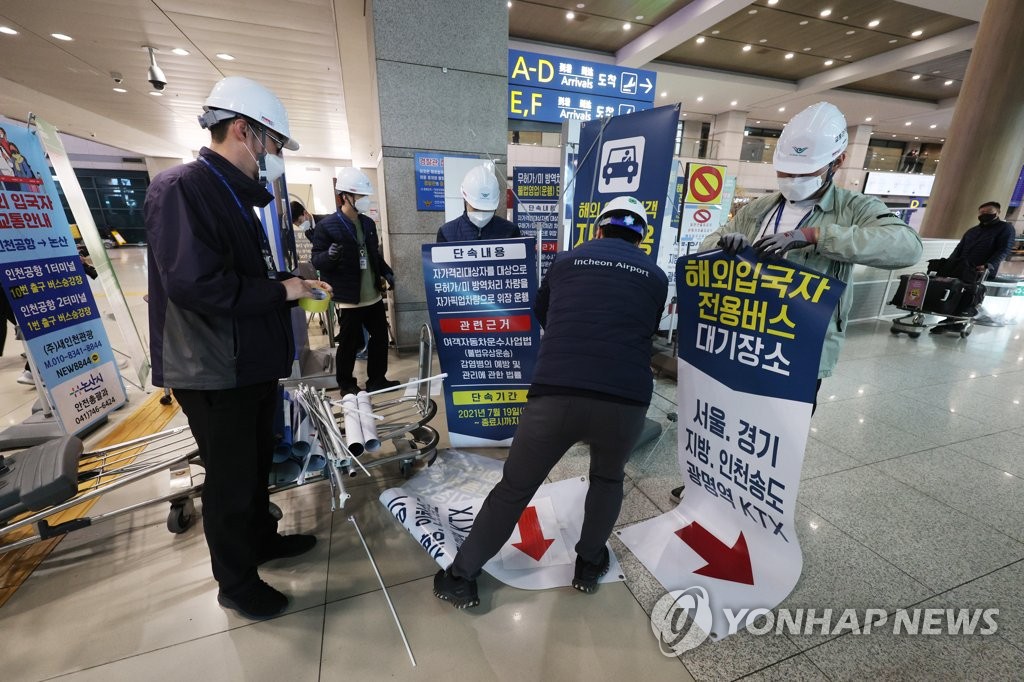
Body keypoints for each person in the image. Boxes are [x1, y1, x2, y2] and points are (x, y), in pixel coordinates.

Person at [669, 101, 923, 504]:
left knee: (780, 429)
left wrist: (817, 237)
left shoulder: (854, 208)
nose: (792, 179)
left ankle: (758, 498)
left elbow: (906, 246)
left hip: (799, 345)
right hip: (745, 334)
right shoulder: (759, 208)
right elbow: (709, 242)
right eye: (785, 171)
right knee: (729, 414)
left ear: (836, 162)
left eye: (804, 173)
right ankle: (712, 481)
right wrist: (723, 246)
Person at [146, 76, 330, 620]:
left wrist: (290, 282)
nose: (273, 158)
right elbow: (196, 284)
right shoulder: (182, 188)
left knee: (253, 469)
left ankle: (261, 541)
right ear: (243, 131)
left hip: (244, 363)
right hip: (211, 369)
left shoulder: (230, 195)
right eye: (272, 145)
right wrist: (284, 289)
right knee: (228, 481)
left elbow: (239, 276)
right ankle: (236, 581)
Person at [433, 196, 668, 608]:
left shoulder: (566, 260)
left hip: (556, 392)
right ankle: (589, 563)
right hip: (624, 399)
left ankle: (461, 576)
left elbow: (543, 312)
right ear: (642, 237)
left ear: (599, 228)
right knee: (607, 480)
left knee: (515, 488)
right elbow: (646, 329)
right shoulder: (655, 274)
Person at [310, 167, 397, 395]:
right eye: (360, 196)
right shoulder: (326, 226)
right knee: (349, 343)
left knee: (380, 338)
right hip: (349, 298)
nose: (364, 200)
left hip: (372, 295)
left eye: (365, 196)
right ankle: (346, 384)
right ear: (345, 197)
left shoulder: (367, 224)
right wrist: (328, 256)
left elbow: (373, 255)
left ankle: (377, 379)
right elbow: (316, 260)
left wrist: (386, 272)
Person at [930, 201, 1016, 334]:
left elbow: (1004, 249)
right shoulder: (973, 230)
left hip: (981, 269)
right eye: (982, 212)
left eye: (988, 212)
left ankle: (957, 322)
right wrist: (950, 263)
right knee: (955, 292)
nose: (984, 215)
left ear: (997, 212)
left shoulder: (1005, 228)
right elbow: (960, 248)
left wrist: (989, 265)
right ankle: (951, 321)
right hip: (962, 267)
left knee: (969, 295)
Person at [436, 162, 521, 242]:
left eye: (488, 209)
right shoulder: (446, 233)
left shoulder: (510, 231)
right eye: (476, 208)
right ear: (465, 200)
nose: (482, 214)